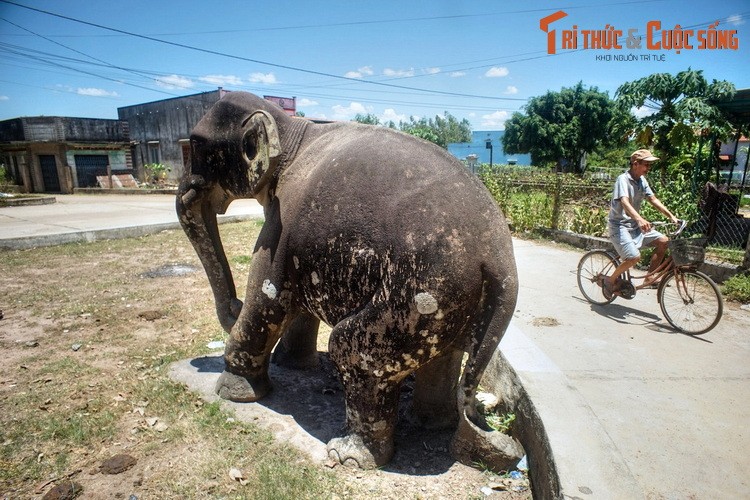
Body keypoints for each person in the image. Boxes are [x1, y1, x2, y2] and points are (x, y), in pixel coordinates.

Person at [605, 149, 679, 297]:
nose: (648, 168)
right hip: (619, 227)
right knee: (634, 257)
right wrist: (639, 219)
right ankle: (610, 280)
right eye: (646, 164)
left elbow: (653, 199)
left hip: (634, 227)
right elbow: (624, 202)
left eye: (649, 165)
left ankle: (649, 276)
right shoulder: (623, 179)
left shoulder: (641, 180)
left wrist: (671, 216)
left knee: (664, 241)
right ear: (635, 164)